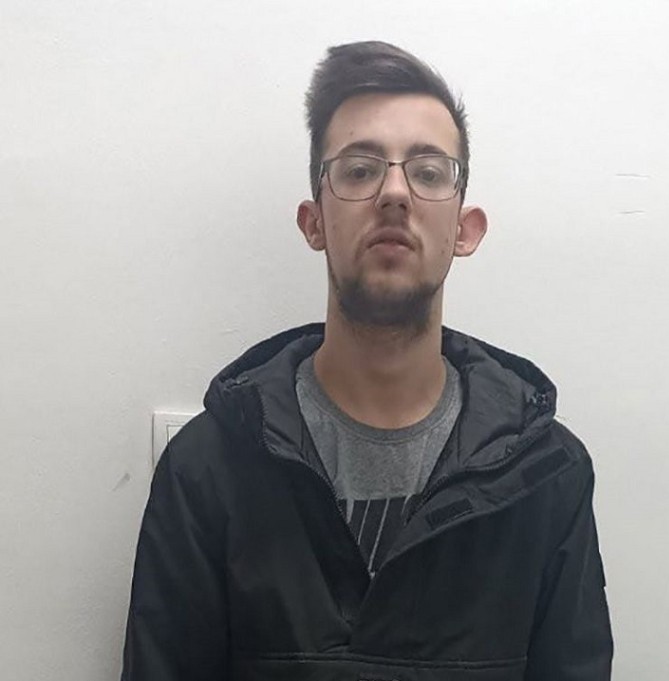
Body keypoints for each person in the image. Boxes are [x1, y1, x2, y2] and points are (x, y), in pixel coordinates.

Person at [121, 40, 613, 681]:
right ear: (313, 222)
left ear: (464, 230)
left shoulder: (546, 473)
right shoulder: (208, 470)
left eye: (428, 172)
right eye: (359, 170)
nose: (394, 192)